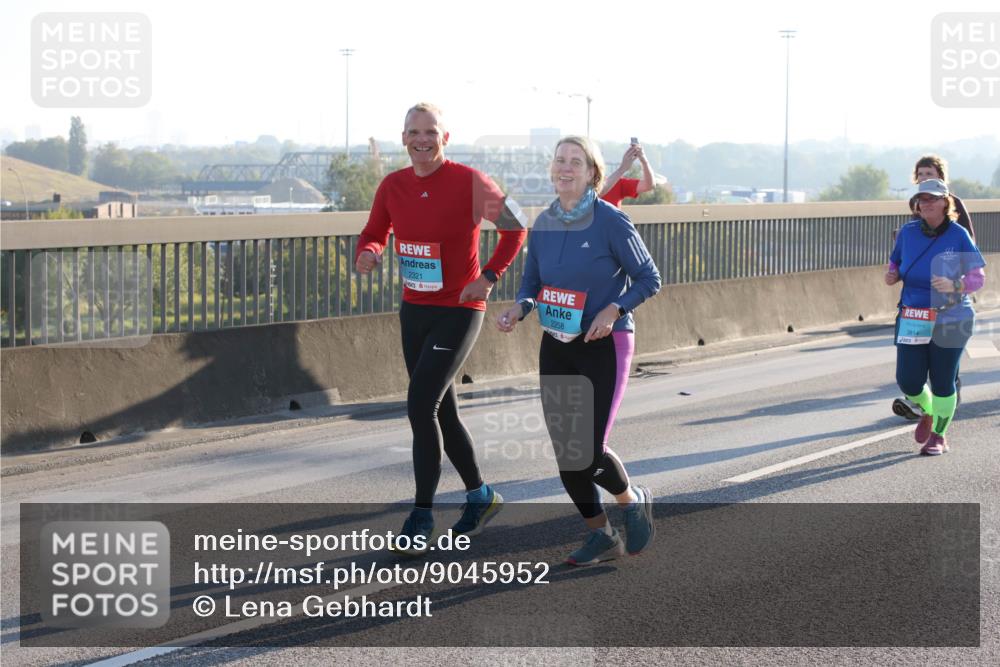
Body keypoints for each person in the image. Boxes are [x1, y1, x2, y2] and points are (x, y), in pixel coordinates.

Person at [355, 103, 527, 554]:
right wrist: (369, 251)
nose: (422, 139)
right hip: (415, 310)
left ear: (444, 138)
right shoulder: (393, 185)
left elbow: (516, 228)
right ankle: (481, 497)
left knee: (419, 407)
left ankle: (421, 515)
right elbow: (375, 230)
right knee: (441, 411)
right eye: (413, 132)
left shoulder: (470, 182)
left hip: (460, 308)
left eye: (430, 131)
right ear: (404, 138)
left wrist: (488, 276)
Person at [496, 136, 661, 565]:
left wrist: (614, 307)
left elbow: (648, 277)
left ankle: (630, 500)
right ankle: (601, 534)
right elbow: (532, 283)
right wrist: (520, 307)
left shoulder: (610, 221)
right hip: (557, 344)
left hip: (605, 344)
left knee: (586, 450)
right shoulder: (544, 224)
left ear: (592, 173)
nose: (564, 168)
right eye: (559, 161)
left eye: (575, 162)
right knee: (567, 454)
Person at [884, 179, 985, 456]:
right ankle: (927, 411)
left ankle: (939, 435)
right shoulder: (907, 232)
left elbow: (978, 278)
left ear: (945, 202)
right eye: (921, 199)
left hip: (952, 316)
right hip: (914, 315)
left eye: (932, 198)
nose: (926, 203)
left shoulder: (958, 234)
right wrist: (891, 275)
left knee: (942, 381)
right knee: (909, 381)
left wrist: (956, 285)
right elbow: (895, 263)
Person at [892, 154, 975, 421]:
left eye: (930, 175)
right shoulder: (911, 224)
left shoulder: (955, 218)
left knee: (943, 374)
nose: (925, 182)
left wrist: (955, 280)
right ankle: (923, 404)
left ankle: (942, 411)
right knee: (910, 375)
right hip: (915, 309)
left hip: (949, 307)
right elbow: (899, 256)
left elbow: (971, 256)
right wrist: (894, 271)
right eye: (921, 176)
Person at [599, 140, 656, 207]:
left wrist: (644, 161)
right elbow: (598, 192)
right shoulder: (585, 186)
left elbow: (649, 185)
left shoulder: (616, 182)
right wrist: (622, 169)